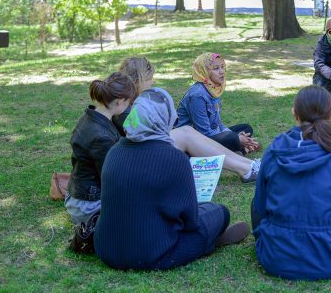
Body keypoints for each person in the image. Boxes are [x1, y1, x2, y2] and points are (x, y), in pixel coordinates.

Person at [95, 88, 250, 270]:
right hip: (152, 254)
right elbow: (190, 220)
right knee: (219, 212)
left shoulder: (114, 152)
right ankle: (208, 242)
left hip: (106, 248)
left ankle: (207, 241)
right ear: (165, 118)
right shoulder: (174, 157)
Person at [251, 85, 331, 280]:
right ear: (330, 113)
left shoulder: (275, 150)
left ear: (295, 113)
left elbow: (259, 206)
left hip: (275, 257)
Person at [117, 57, 260, 183]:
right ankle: (247, 168)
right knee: (187, 133)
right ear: (138, 80)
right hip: (146, 157)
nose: (152, 82)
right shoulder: (126, 106)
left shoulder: (132, 102)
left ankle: (250, 165)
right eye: (149, 79)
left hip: (152, 150)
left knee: (188, 132)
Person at [65, 72, 137, 225]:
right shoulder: (101, 137)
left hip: (78, 196)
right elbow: (112, 180)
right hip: (88, 206)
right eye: (128, 102)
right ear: (119, 101)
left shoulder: (91, 116)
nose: (129, 107)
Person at [176, 53, 261, 154]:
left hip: (209, 135)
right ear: (205, 72)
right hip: (193, 140)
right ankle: (241, 148)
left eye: (222, 67)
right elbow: (204, 132)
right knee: (232, 137)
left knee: (246, 128)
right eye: (216, 68)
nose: (222, 72)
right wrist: (236, 138)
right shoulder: (197, 95)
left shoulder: (213, 88)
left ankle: (240, 147)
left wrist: (237, 137)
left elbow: (217, 124)